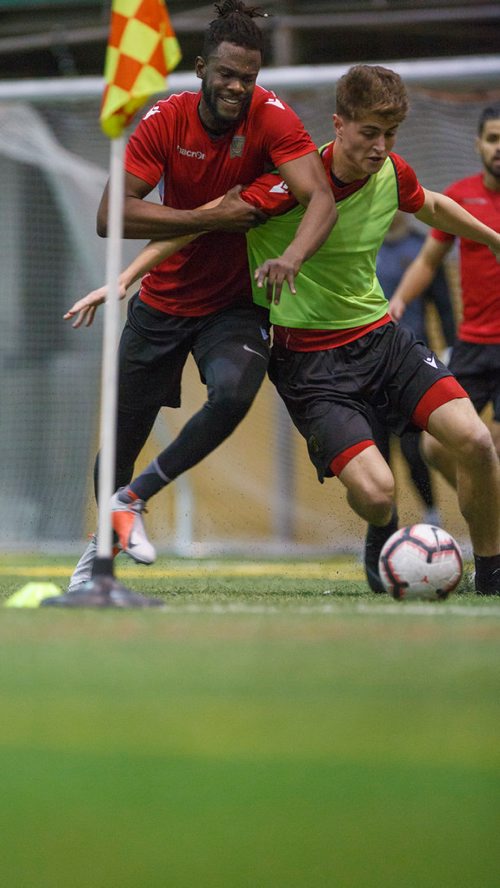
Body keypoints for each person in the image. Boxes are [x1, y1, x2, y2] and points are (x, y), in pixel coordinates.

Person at [68, 65, 500, 597]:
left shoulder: (392, 171)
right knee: (378, 494)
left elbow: (431, 204)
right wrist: (127, 277)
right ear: (339, 125)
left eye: (390, 135)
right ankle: (382, 532)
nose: (380, 146)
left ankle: (493, 575)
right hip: (311, 363)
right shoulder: (285, 185)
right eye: (369, 133)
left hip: (382, 340)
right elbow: (204, 218)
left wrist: (493, 238)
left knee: (475, 441)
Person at [66, 0, 336, 593]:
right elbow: (111, 216)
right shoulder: (164, 120)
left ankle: (133, 501)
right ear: (200, 68)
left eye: (249, 77)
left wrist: (291, 257)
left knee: (235, 391)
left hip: (233, 305)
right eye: (227, 75)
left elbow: (321, 197)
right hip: (162, 300)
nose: (238, 87)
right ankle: (98, 557)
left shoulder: (273, 119)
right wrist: (207, 216)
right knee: (121, 433)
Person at [389, 103, 500, 471]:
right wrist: (400, 300)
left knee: (493, 445)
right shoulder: (460, 198)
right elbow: (427, 261)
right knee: (435, 447)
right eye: (492, 139)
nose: (498, 147)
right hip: (471, 346)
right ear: (478, 144)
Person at [370, 210, 457, 528]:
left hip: (409, 368)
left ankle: (432, 517)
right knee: (374, 454)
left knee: (414, 449)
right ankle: (381, 529)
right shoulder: (362, 244)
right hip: (366, 368)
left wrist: (449, 354)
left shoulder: (422, 247)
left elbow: (445, 309)